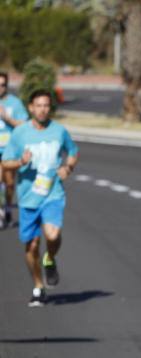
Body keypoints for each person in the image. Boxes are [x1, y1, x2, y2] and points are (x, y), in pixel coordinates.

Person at [1, 89, 78, 307]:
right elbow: (5, 162)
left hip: (53, 193)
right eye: (39, 106)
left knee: (52, 235)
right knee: (32, 245)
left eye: (46, 105)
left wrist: (68, 168)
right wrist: (20, 162)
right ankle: (38, 286)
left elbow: (73, 151)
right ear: (31, 108)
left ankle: (50, 259)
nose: (43, 110)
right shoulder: (20, 133)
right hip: (28, 197)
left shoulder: (59, 131)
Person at [0, 72, 30, 229]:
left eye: (2, 85)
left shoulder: (15, 103)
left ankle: (7, 208)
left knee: (10, 183)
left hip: (10, 150)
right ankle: (0, 211)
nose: (0, 88)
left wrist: (7, 118)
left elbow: (24, 124)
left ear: (7, 86)